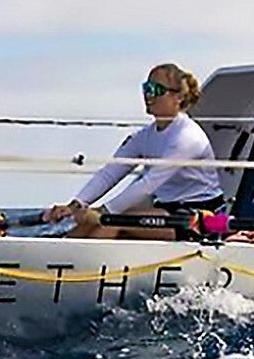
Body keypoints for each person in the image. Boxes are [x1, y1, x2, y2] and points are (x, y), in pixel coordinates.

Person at [45, 63, 229, 241]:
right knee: (93, 224)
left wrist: (103, 213)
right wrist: (75, 205)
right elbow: (110, 173)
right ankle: (55, 257)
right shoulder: (144, 136)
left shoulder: (187, 137)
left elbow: (149, 183)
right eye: (146, 88)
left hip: (201, 216)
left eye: (157, 90)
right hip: (165, 209)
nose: (149, 95)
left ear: (178, 97)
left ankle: (80, 267)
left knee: (111, 223)